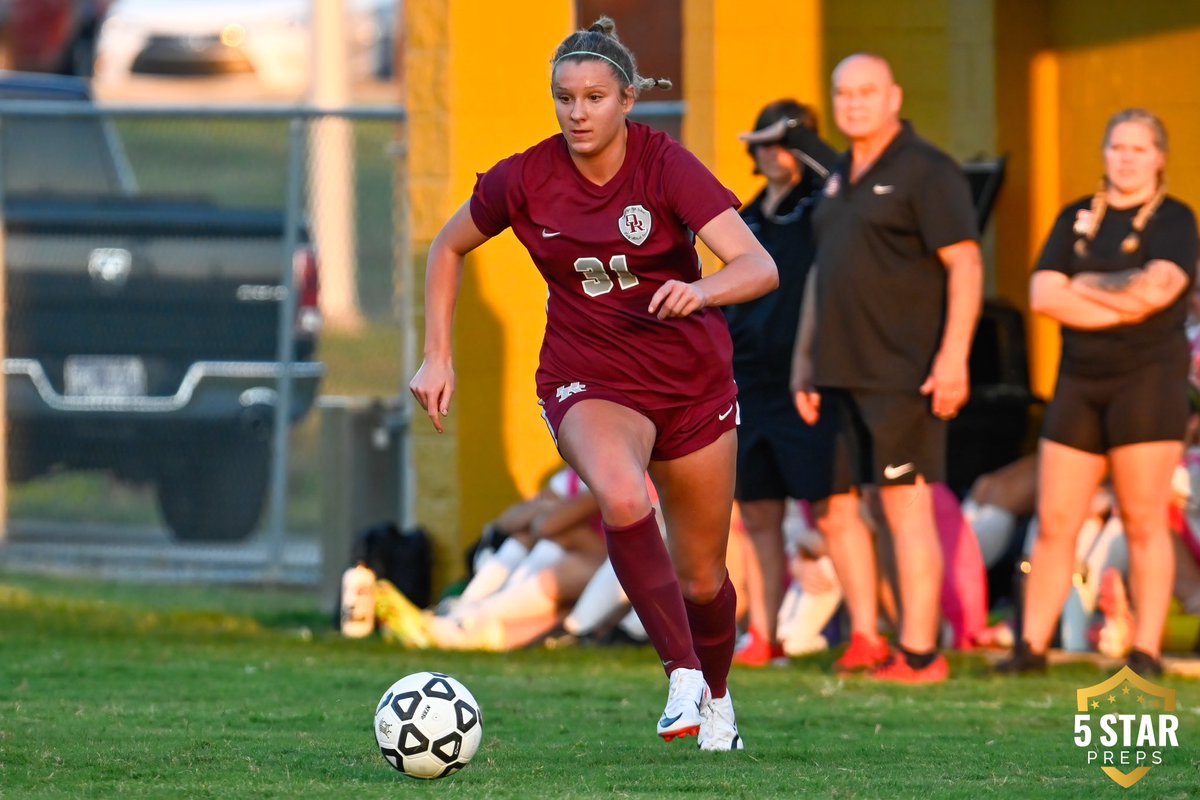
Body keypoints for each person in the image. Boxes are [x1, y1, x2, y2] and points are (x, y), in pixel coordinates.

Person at [408, 17, 777, 750]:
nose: (578, 113)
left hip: (691, 384)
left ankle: (719, 700)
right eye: (565, 98)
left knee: (703, 577)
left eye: (594, 98)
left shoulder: (666, 165)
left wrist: (700, 293)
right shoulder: (527, 175)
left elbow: (758, 265)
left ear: (628, 100)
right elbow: (447, 247)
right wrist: (437, 355)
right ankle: (679, 676)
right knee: (619, 492)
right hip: (590, 376)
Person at [787, 53, 984, 683]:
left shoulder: (928, 171)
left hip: (903, 372)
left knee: (905, 509)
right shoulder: (842, 173)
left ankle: (922, 654)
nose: (854, 103)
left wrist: (953, 357)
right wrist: (804, 361)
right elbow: (824, 274)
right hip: (838, 372)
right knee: (844, 510)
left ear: (894, 97)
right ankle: (873, 639)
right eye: (843, 93)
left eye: (867, 91)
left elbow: (966, 265)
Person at [998, 108, 1197, 677]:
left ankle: (1147, 650)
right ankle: (1030, 649)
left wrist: (1084, 287)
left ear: (1159, 157)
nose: (1126, 158)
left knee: (1143, 516)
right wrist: (1122, 296)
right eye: (1117, 147)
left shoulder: (1176, 220)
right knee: (1056, 518)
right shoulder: (1076, 216)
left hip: (1148, 384)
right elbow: (1043, 294)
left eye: (1138, 149)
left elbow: (1158, 293)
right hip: (1080, 383)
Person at [723, 99, 838, 667]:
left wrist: (809, 148)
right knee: (759, 514)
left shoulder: (823, 208)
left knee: (833, 510)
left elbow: (840, 180)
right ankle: (763, 635)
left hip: (805, 380)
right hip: (748, 381)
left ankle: (868, 633)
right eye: (763, 143)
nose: (771, 153)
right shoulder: (744, 218)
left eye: (784, 142)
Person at [375, 466, 610, 651]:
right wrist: (546, 512)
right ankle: (463, 614)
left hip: (604, 570)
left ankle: (460, 620)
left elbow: (547, 525)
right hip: (568, 581)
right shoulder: (570, 477)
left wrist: (547, 511)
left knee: (557, 548)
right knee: (527, 537)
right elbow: (506, 523)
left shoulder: (608, 475)